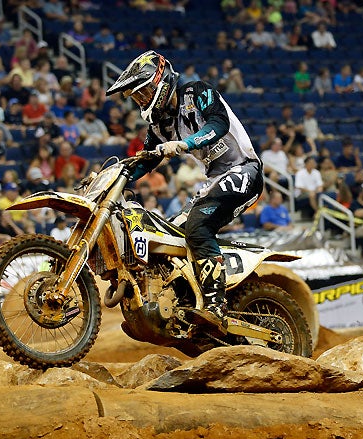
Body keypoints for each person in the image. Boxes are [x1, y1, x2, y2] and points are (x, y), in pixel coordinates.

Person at [106, 51, 264, 333]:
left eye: (143, 94)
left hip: (244, 170)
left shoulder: (197, 92)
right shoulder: (159, 124)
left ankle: (216, 306)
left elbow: (219, 124)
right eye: (137, 99)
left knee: (198, 225)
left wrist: (184, 144)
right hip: (216, 179)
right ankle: (181, 303)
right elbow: (149, 158)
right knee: (168, 233)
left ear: (160, 82)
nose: (142, 102)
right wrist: (118, 175)